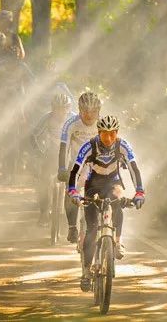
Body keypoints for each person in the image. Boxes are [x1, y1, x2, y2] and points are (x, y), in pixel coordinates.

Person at [66, 115, 145, 292]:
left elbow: (134, 169)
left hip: (113, 182)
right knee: (92, 230)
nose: (108, 138)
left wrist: (139, 191)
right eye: (104, 134)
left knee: (118, 198)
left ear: (116, 133)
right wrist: (73, 190)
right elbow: (76, 169)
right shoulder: (89, 146)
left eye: (112, 134)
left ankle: (117, 241)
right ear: (99, 132)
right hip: (93, 184)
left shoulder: (122, 145)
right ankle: (86, 272)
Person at [57, 92, 102, 243]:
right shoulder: (70, 124)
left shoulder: (102, 124)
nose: (89, 116)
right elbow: (64, 147)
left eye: (93, 112)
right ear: (79, 110)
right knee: (71, 192)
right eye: (85, 112)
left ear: (98, 111)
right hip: (76, 163)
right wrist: (62, 169)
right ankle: (72, 227)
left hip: (97, 164)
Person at [30, 93, 74, 226]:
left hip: (70, 155)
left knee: (73, 184)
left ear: (68, 108)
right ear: (52, 108)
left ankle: (72, 218)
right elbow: (33, 136)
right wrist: (39, 151)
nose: (60, 112)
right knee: (43, 181)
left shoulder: (74, 118)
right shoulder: (47, 118)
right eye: (57, 108)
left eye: (64, 108)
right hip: (52, 153)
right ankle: (44, 213)